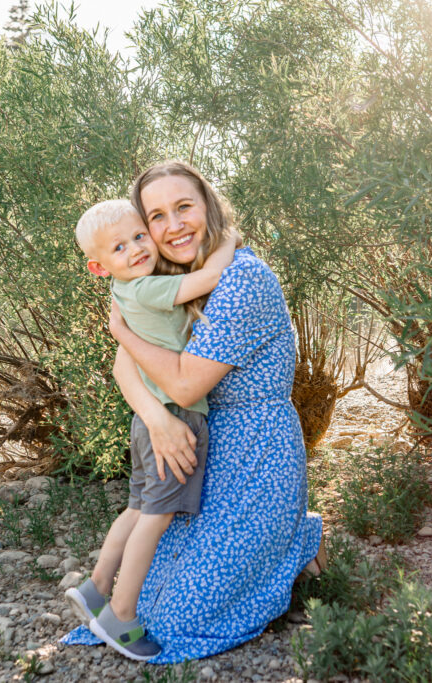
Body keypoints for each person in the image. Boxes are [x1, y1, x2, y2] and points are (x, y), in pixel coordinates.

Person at [62, 161, 324, 663]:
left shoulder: (241, 279)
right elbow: (126, 372)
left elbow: (182, 385)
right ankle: (288, 542)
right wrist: (157, 421)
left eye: (184, 207)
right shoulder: (164, 278)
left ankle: (298, 536)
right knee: (156, 597)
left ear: (208, 206)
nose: (173, 225)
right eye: (157, 216)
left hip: (257, 447)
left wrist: (122, 333)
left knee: (185, 616)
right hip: (197, 440)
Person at [66, 199, 238, 661]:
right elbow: (207, 279)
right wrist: (230, 244)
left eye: (139, 236)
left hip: (147, 419)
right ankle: (122, 612)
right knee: (157, 517)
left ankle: (98, 584)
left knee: (139, 506)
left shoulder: (126, 292)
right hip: (173, 417)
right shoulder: (144, 290)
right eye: (120, 247)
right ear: (99, 267)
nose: (137, 249)